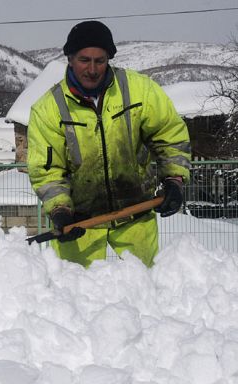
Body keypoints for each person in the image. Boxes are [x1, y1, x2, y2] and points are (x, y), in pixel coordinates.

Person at [27, 21, 191, 267]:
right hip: (80, 222)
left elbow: (170, 135)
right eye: (84, 60)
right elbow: (47, 171)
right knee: (75, 295)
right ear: (70, 59)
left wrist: (174, 180)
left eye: (99, 60)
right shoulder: (48, 109)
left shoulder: (139, 90)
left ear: (109, 59)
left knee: (147, 287)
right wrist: (60, 211)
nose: (92, 69)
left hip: (136, 211)